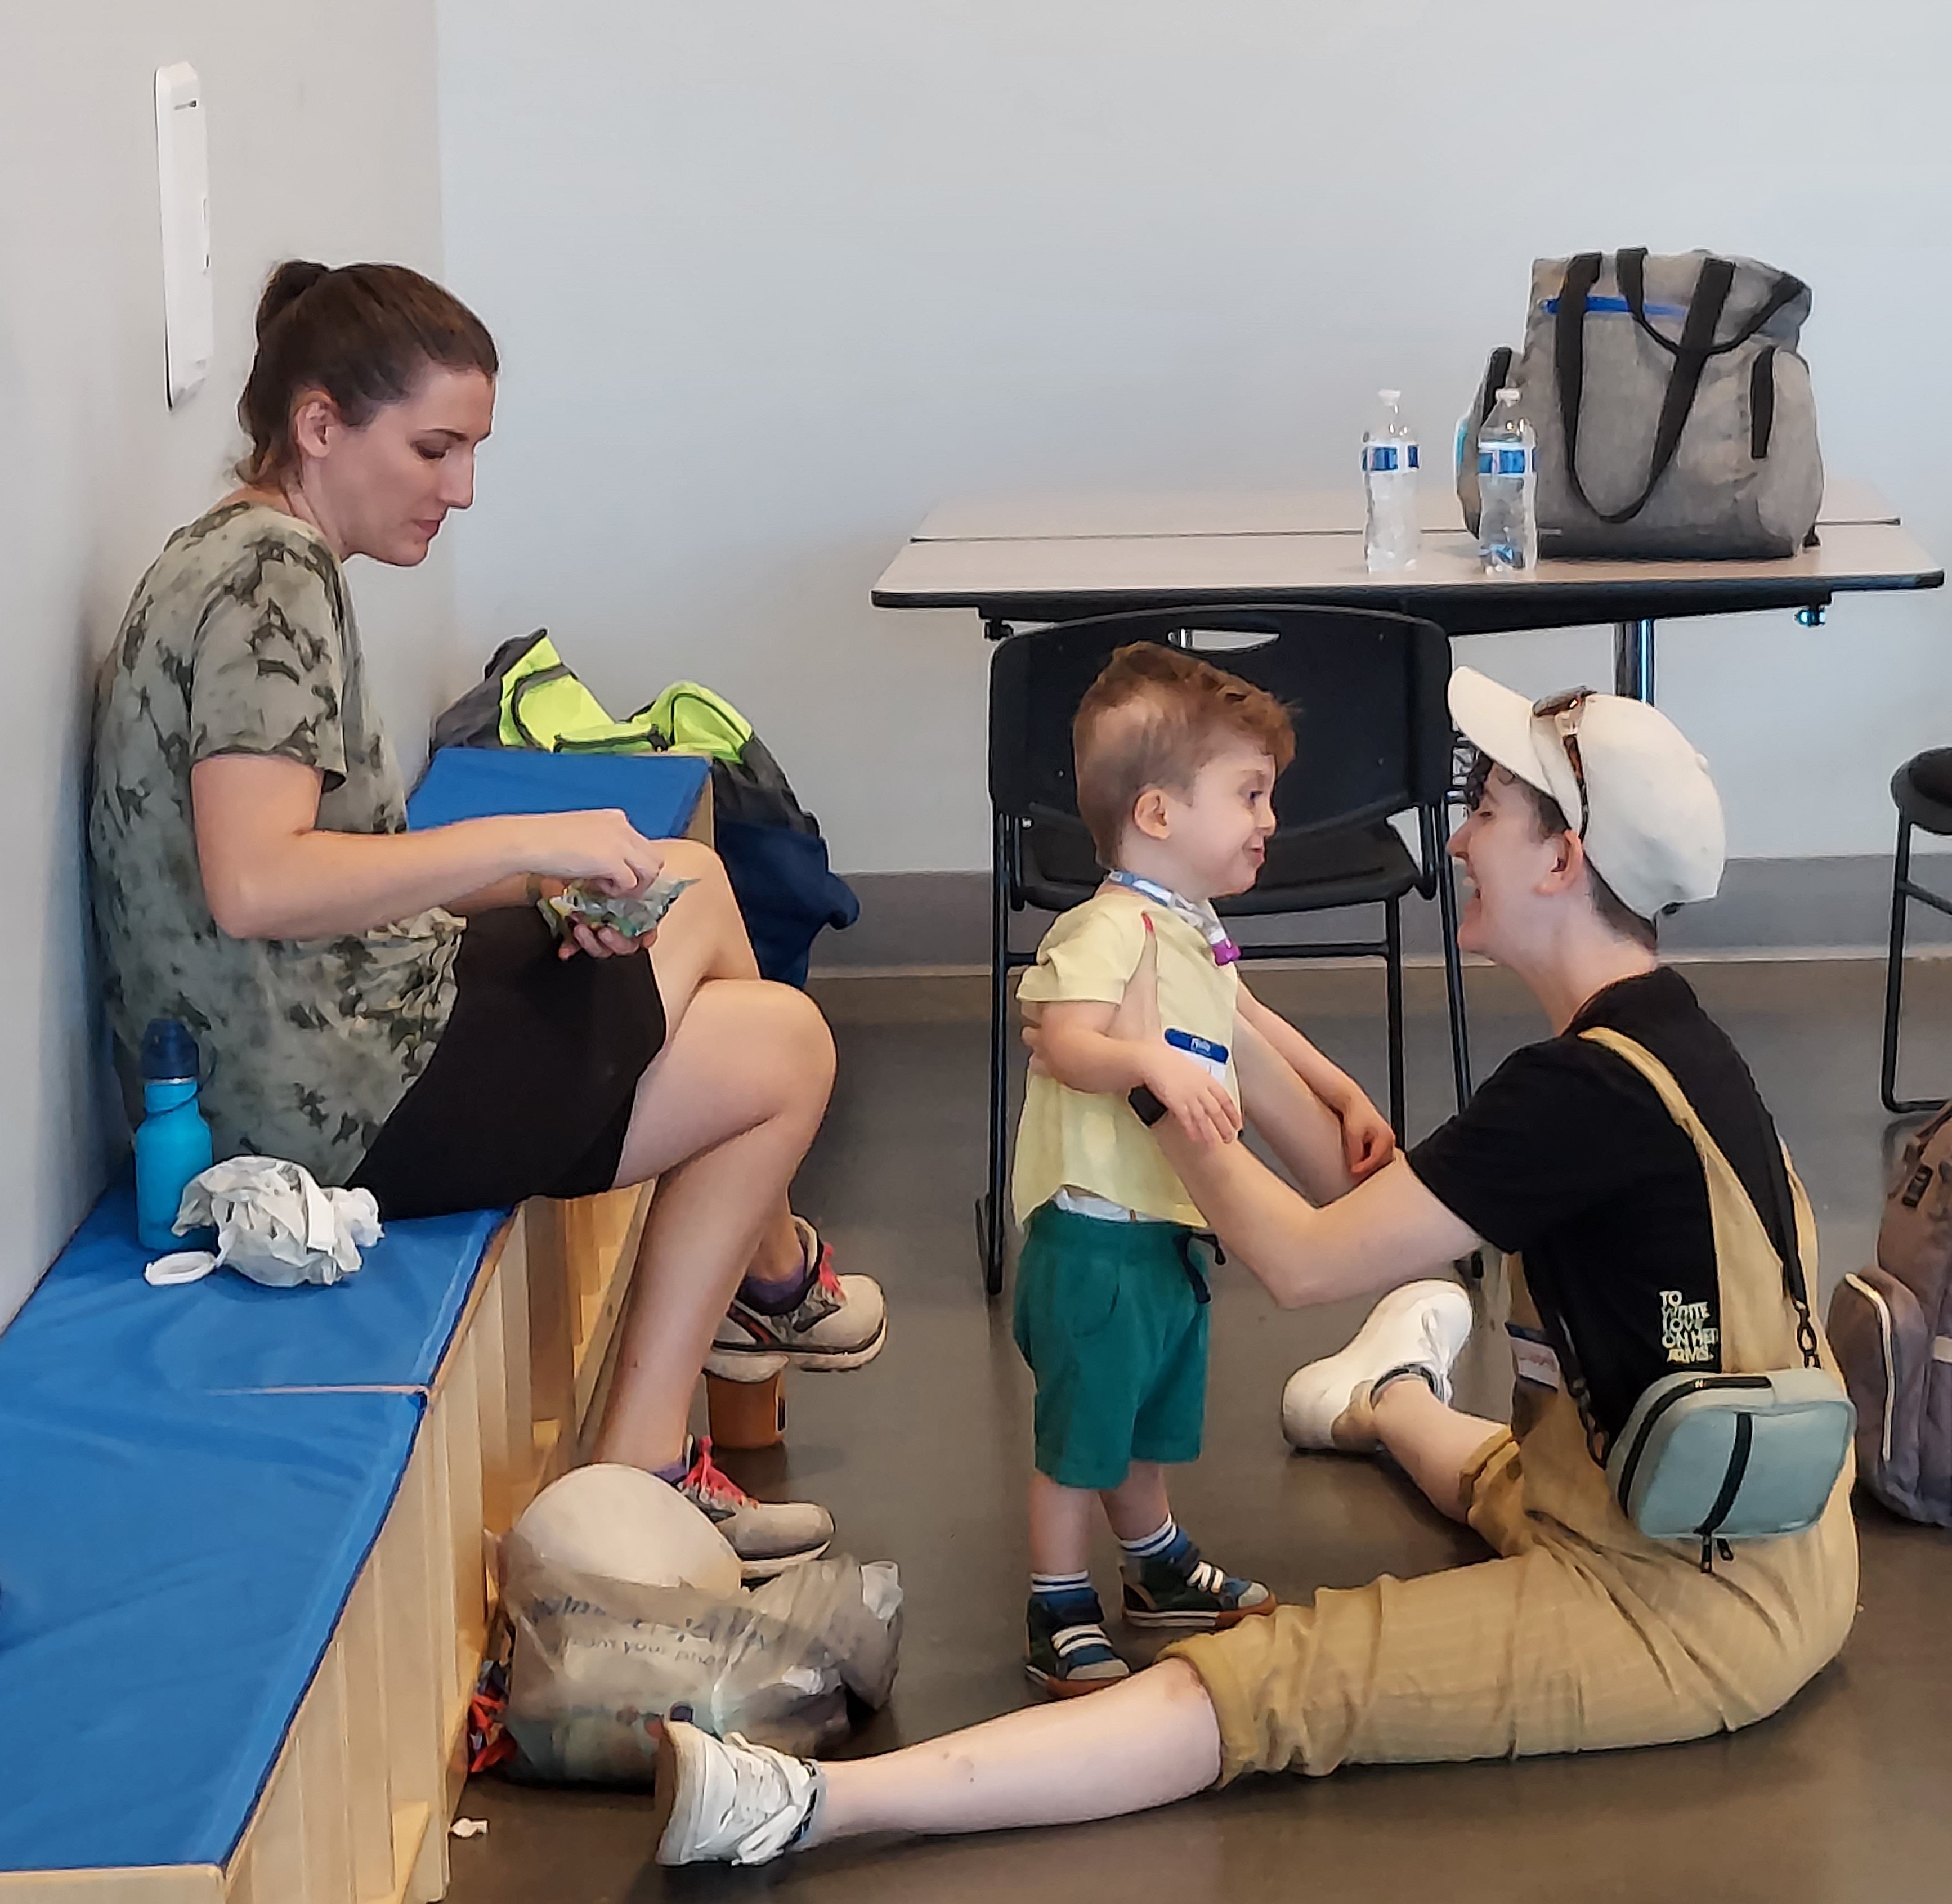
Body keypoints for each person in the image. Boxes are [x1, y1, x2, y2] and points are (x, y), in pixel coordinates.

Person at [646, 666, 1859, 1866]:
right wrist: (1239, 1064)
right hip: (1767, 1536)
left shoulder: (1575, 1094)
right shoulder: (1669, 1039)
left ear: (1562, 861)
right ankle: (1386, 1398)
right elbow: (1341, 1171)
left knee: (1277, 1681)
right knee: (1504, 1480)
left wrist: (1150, 1082)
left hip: (1684, 1607)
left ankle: (811, 1803)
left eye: (1488, 811)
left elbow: (1298, 1257)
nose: (1461, 835)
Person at [87, 261, 884, 1578]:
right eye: (435, 449)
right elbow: (258, 883)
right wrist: (528, 840)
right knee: (761, 1015)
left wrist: (548, 886)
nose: (460, 491)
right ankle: (757, 1304)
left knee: (741, 992)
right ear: (320, 421)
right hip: (322, 1108)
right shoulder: (267, 582)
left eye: (472, 452)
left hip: (328, 1034)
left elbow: (340, 861)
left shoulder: (238, 552)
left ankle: (701, 1383)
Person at [1009, 644, 1393, 1692]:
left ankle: (1157, 1565)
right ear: (1160, 814)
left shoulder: (1191, 925)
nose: (1269, 819)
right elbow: (1056, 1035)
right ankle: (1056, 1604)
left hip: (1163, 1227)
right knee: (1081, 1433)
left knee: (1145, 1418)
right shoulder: (1105, 927)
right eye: (1251, 794)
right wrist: (1148, 1064)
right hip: (1093, 1230)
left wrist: (1341, 1089)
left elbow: (1248, 1013)